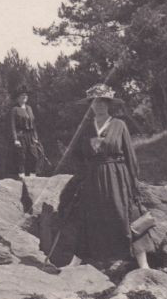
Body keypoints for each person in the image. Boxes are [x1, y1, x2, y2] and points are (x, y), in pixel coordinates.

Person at [54, 83, 151, 269]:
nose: (98, 105)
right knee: (88, 217)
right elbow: (76, 155)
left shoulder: (119, 125)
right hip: (93, 177)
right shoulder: (86, 128)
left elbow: (130, 156)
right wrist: (82, 176)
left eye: (103, 102)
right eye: (95, 102)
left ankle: (143, 263)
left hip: (117, 175)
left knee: (127, 214)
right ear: (90, 105)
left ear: (109, 104)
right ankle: (75, 261)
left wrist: (133, 183)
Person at [9, 87, 46, 177]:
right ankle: (21, 174)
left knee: (34, 155)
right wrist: (15, 139)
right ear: (18, 98)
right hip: (20, 135)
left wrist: (36, 137)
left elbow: (33, 124)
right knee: (22, 155)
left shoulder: (29, 108)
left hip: (31, 135)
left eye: (26, 95)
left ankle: (33, 174)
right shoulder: (15, 109)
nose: (25, 97)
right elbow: (12, 126)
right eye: (22, 95)